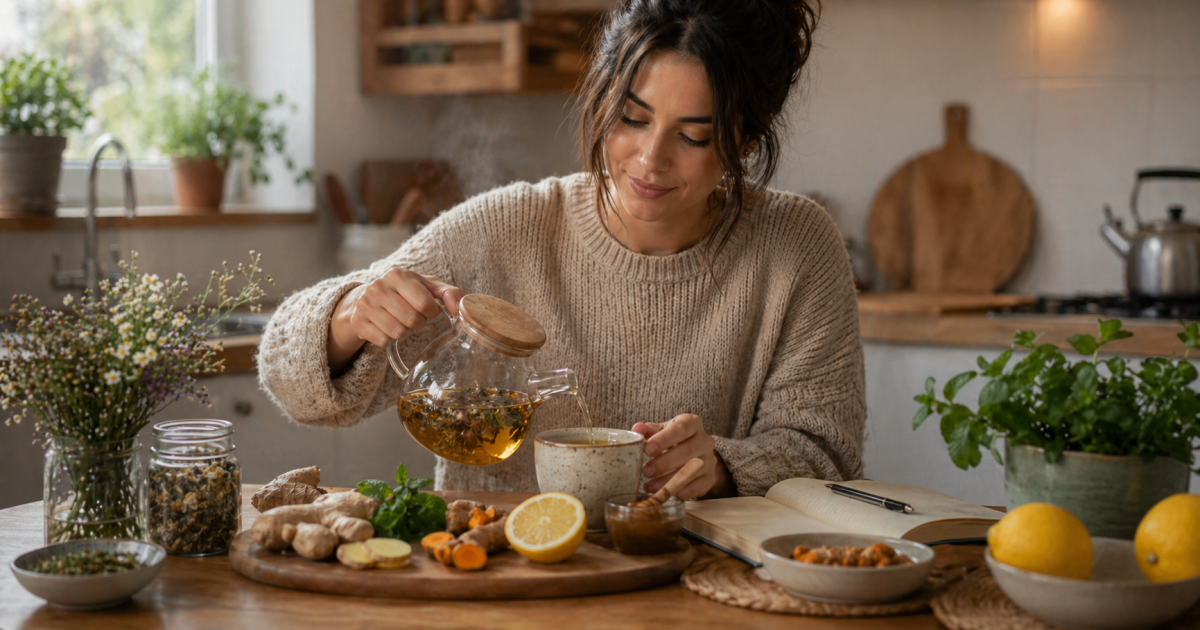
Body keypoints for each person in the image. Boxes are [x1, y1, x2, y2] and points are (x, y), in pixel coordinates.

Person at [258, 0, 864, 501]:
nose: (650, 159)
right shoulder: (504, 228)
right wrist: (348, 318)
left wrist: (724, 467)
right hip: (491, 567)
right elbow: (289, 379)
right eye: (632, 119)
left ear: (746, 140)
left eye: (693, 136)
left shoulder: (795, 245)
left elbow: (826, 452)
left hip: (691, 578)